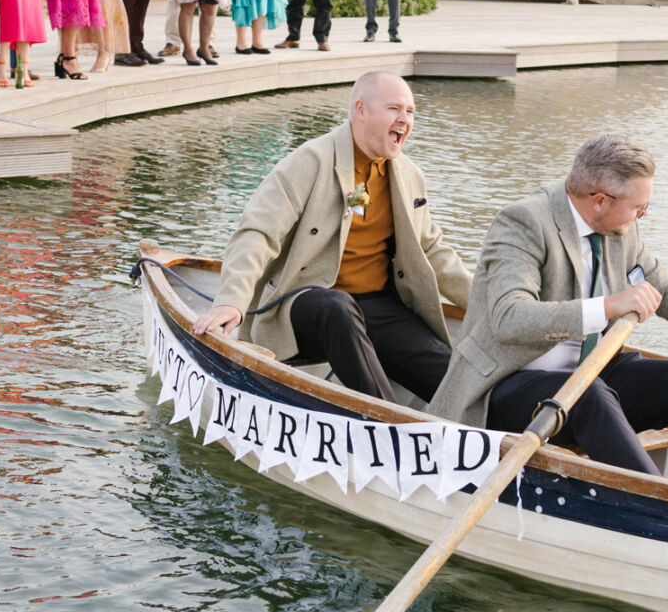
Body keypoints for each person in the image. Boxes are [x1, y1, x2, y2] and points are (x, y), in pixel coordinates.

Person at [428, 134, 668, 490]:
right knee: (588, 394)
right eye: (639, 208)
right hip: (506, 386)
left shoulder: (619, 225)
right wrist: (609, 306)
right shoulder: (523, 222)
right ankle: (659, 507)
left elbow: (659, 282)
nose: (642, 215)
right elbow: (509, 318)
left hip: (588, 375)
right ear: (599, 201)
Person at [193, 71, 472, 402]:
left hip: (376, 306)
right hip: (307, 303)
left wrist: (490, 304)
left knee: (458, 382)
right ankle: (388, 423)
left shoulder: (410, 176)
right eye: (394, 108)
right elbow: (257, 234)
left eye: (410, 112)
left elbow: (433, 251)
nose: (404, 120)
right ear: (361, 110)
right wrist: (231, 302)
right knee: (336, 307)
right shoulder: (309, 161)